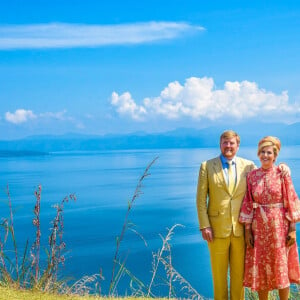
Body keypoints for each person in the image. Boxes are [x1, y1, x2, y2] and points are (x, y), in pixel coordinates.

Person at [196, 130, 256, 300]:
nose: (228, 146)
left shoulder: (249, 166)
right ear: (220, 144)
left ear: (238, 145)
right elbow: (201, 200)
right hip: (215, 230)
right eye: (225, 142)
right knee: (219, 277)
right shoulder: (207, 166)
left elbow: (265, 177)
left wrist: (283, 168)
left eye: (232, 143)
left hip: (241, 230)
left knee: (239, 278)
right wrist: (204, 225)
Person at [239, 136, 300, 300]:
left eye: (268, 153)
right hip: (258, 228)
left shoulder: (282, 174)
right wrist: (247, 232)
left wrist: (293, 229)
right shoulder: (252, 176)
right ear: (258, 154)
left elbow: (291, 200)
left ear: (275, 156)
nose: (265, 155)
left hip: (279, 228)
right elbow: (248, 202)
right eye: (262, 152)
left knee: (282, 266)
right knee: (260, 266)